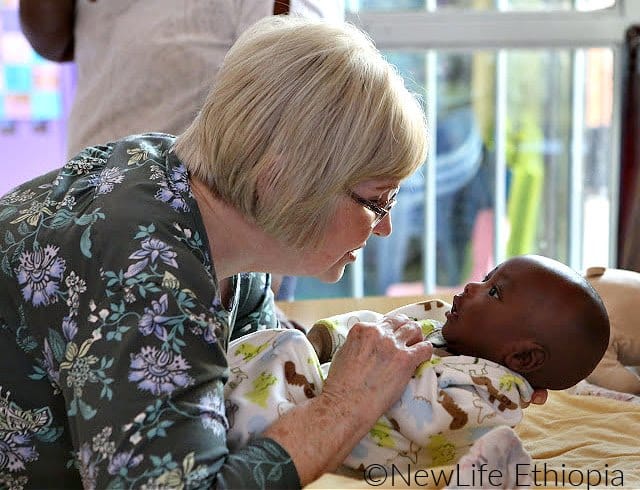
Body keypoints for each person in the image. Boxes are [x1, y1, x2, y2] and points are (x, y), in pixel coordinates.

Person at [0, 16, 438, 489]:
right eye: (377, 202)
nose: (386, 228)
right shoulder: (151, 275)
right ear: (282, 181)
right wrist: (346, 405)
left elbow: (255, 389)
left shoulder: (202, 205)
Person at [18, 0, 344, 301]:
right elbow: (54, 42)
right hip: (92, 225)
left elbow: (298, 100)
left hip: (192, 250)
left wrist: (249, 291)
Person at [224, 255, 610, 471]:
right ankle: (219, 391)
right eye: (486, 277)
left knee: (286, 348)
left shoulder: (493, 395)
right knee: (286, 344)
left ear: (522, 357)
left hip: (319, 429)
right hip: (320, 399)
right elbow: (375, 330)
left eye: (494, 292)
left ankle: (224, 414)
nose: (472, 287)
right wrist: (331, 338)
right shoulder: (444, 326)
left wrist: (391, 354)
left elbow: (422, 417)